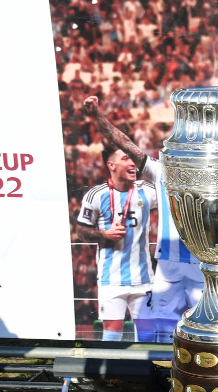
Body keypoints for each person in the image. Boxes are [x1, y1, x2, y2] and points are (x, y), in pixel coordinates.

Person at [82, 95, 203, 343]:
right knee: (161, 331)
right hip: (168, 262)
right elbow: (123, 142)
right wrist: (97, 116)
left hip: (201, 259)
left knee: (201, 324)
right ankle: (153, 375)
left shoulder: (210, 171)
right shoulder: (160, 172)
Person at [76, 146, 157, 342]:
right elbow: (81, 231)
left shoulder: (147, 191)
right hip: (111, 279)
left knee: (146, 335)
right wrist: (105, 233)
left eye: (132, 160)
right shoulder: (96, 194)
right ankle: (112, 373)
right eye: (125, 159)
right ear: (111, 165)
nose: (132, 163)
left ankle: (144, 373)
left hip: (144, 279)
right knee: (112, 335)